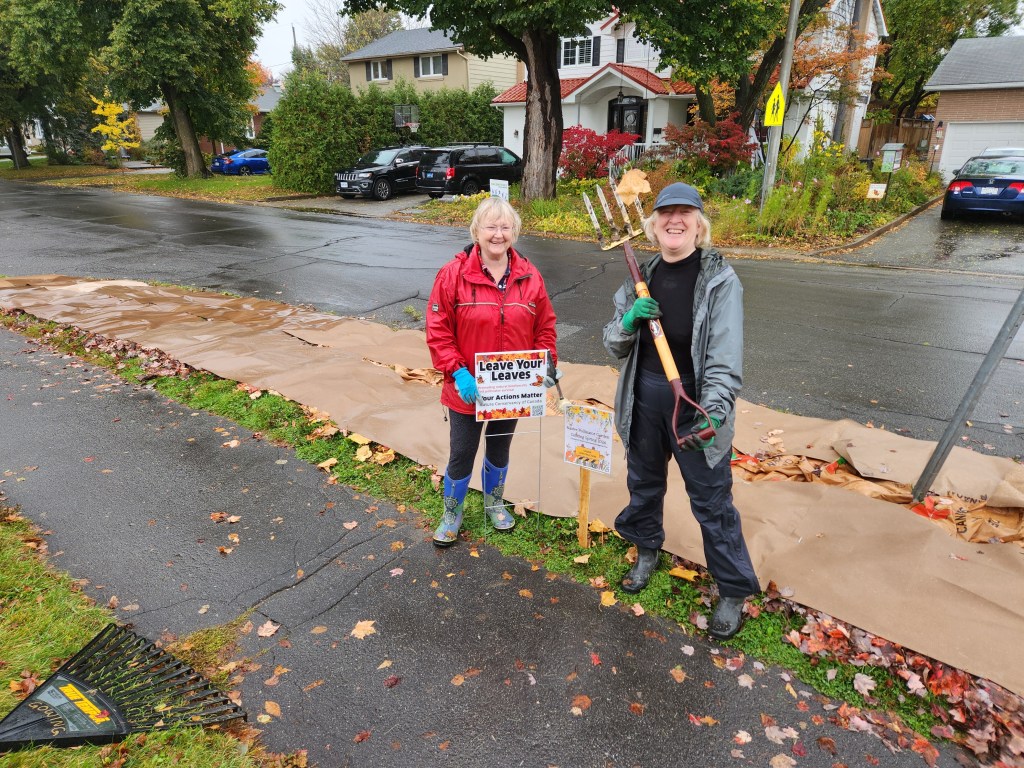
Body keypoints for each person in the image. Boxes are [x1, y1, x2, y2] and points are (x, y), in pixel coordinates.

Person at [602, 182, 760, 640]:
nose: (675, 220)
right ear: (652, 224)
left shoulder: (719, 281)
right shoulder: (640, 278)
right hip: (646, 398)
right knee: (644, 484)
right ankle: (646, 549)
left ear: (698, 224)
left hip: (695, 402)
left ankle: (731, 588)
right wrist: (630, 321)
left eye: (684, 213)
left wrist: (711, 412)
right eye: (665, 213)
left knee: (711, 500)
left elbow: (725, 359)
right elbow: (613, 343)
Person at [426, 196, 559, 547]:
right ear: (477, 231)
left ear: (514, 232)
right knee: (462, 452)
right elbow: (438, 330)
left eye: (505, 227)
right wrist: (458, 372)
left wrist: (547, 363)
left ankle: (494, 502)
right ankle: (452, 512)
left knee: (500, 448)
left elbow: (544, 326)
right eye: (491, 226)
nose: (498, 234)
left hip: (511, 387)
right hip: (467, 387)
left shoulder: (529, 276)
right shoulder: (453, 274)